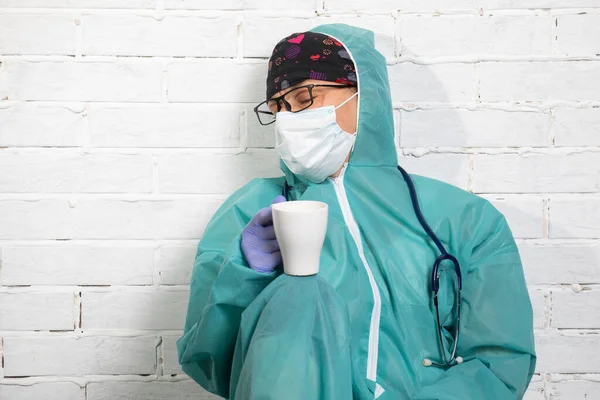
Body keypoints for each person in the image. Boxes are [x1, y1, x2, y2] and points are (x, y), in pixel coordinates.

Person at [178, 24, 536, 399]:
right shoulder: (250, 213)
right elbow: (211, 363)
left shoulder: (466, 219)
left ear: (365, 97)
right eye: (278, 108)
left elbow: (501, 363)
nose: (288, 120)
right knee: (298, 293)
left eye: (303, 99)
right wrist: (245, 276)